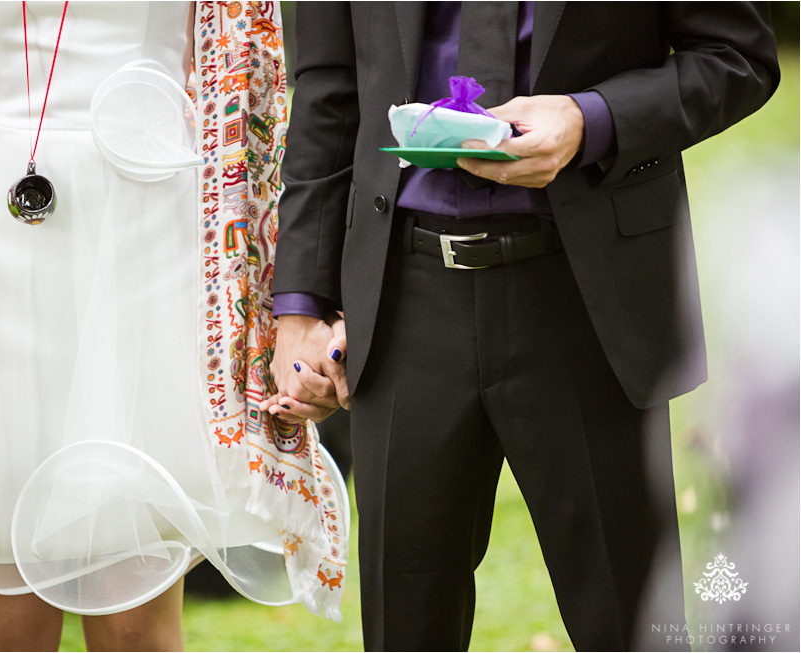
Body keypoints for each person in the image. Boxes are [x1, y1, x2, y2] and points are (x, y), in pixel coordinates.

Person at [0, 2, 348, 650]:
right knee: (0, 629)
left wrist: (284, 316)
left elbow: (260, 102)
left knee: (137, 626)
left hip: (149, 239)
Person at [262, 2, 779, 651]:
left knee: (631, 626)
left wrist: (589, 120)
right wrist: (300, 305)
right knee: (405, 629)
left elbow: (738, 58)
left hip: (587, 301)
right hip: (402, 305)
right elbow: (328, 92)